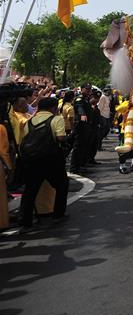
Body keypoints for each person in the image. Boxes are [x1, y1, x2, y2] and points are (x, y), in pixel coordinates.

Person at [18, 97, 69, 228]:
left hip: (32, 161)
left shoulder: (30, 121)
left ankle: (25, 220)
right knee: (61, 185)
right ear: (52, 108)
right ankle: (58, 214)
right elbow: (60, 137)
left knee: (30, 190)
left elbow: (25, 139)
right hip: (51, 160)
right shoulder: (56, 119)